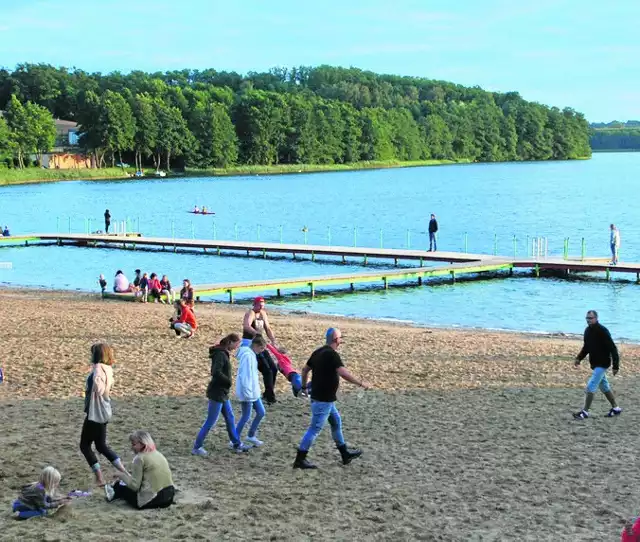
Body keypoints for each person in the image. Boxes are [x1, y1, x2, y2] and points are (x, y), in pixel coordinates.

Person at [293, 328, 371, 470]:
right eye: (340, 338)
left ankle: (344, 454)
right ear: (336, 340)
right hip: (323, 400)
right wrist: (360, 383)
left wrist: (304, 387)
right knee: (314, 429)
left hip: (323, 398)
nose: (341, 340)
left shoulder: (318, 352)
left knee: (336, 422)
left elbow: (305, 370)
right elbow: (343, 373)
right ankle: (300, 459)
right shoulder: (332, 355)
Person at [192, 334, 250, 456]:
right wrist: (227, 381)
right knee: (211, 420)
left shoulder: (223, 352)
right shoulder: (220, 354)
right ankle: (197, 447)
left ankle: (236, 444)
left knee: (230, 418)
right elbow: (215, 372)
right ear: (230, 342)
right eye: (237, 344)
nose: (237, 346)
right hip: (217, 392)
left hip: (223, 392)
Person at [80, 344, 129, 485]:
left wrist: (95, 372)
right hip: (104, 411)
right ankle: (125, 472)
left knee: (85, 446)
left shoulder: (99, 370)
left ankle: (100, 478)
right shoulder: (108, 369)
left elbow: (98, 389)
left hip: (95, 413)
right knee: (101, 445)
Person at [104, 430, 175, 510]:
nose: (131, 447)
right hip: (169, 498)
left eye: (133, 444)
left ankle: (112, 494)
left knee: (120, 486)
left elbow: (135, 486)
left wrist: (121, 475)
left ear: (142, 444)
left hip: (152, 500)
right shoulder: (158, 454)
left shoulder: (139, 458)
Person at [573, 310, 622, 419]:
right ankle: (616, 408)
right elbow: (586, 347)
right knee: (604, 387)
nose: (588, 320)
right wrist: (579, 358)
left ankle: (584, 412)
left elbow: (613, 348)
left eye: (591, 318)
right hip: (595, 364)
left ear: (596, 318)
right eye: (587, 318)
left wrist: (616, 366)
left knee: (590, 387)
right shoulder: (587, 331)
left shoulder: (602, 331)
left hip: (603, 363)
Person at [243, 297, 279, 404]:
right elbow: (246, 326)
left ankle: (268, 393)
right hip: (250, 344)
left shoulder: (263, 314)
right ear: (254, 304)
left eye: (263, 305)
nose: (261, 307)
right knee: (267, 370)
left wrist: (273, 341)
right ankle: (270, 397)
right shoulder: (251, 313)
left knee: (273, 368)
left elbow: (268, 328)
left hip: (260, 344)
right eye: (259, 305)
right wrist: (257, 333)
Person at [235, 334, 268, 447]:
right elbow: (244, 376)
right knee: (246, 416)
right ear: (256, 345)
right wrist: (247, 392)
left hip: (254, 391)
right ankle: (234, 440)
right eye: (262, 348)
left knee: (261, 412)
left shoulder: (252, 355)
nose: (262, 351)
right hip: (247, 392)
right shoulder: (247, 356)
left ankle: (251, 435)